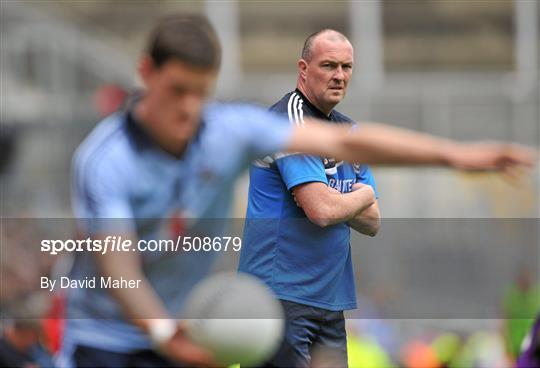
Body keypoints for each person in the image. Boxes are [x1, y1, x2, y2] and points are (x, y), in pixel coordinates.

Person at [61, 14, 535, 368]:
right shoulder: (105, 160)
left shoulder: (227, 129)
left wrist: (454, 156)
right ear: (147, 72)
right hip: (107, 339)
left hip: (190, 328)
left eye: (200, 92)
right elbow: (118, 265)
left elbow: (351, 144)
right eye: (177, 90)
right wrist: (165, 333)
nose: (189, 107)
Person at [238, 29, 379, 367]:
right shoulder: (290, 121)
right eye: (329, 65)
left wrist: (350, 201)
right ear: (303, 69)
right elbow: (321, 210)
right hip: (280, 299)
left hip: (330, 301)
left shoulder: (348, 131)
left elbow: (374, 221)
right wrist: (365, 194)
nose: (339, 76)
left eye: (346, 67)